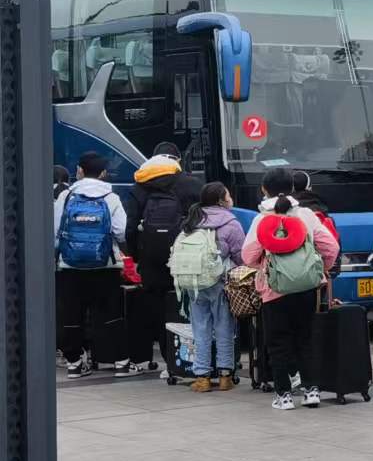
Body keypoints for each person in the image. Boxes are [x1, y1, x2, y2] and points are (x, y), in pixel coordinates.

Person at [242, 167, 339, 410]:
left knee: (278, 343)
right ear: (293, 188)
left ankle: (284, 395)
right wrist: (319, 269)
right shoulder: (306, 214)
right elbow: (331, 247)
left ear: (264, 189)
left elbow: (248, 256)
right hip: (306, 287)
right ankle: (312, 391)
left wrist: (265, 266)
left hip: (274, 289)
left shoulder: (261, 219)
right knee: (305, 338)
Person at [119, 144, 201, 376]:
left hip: (151, 259)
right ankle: (190, 360)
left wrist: (136, 257)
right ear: (177, 160)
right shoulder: (191, 184)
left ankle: (168, 361)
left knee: (157, 309)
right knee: (186, 306)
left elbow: (130, 228)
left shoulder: (139, 186)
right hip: (186, 257)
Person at [54, 151, 128, 377]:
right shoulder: (111, 197)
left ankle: (75, 364)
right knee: (110, 313)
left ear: (79, 170)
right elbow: (121, 231)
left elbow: (55, 230)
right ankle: (121, 362)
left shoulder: (66, 196)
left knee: (72, 314)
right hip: (105, 265)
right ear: (104, 173)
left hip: (70, 266)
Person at [178, 182, 245, 392]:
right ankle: (225, 376)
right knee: (224, 328)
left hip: (194, 282)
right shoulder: (231, 223)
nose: (230, 199)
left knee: (200, 328)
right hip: (220, 281)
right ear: (221, 201)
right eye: (228, 196)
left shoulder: (192, 220)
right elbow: (241, 256)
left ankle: (202, 377)